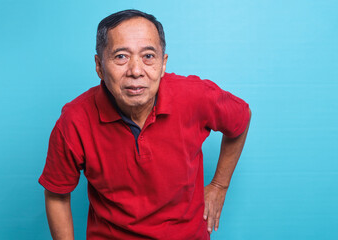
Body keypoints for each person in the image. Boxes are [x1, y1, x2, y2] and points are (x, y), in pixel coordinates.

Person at [39, 9, 251, 240]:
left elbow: (241, 118)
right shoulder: (74, 120)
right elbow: (57, 195)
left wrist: (219, 185)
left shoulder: (196, 97)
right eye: (121, 56)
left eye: (148, 56)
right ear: (99, 66)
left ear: (163, 64)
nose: (136, 71)